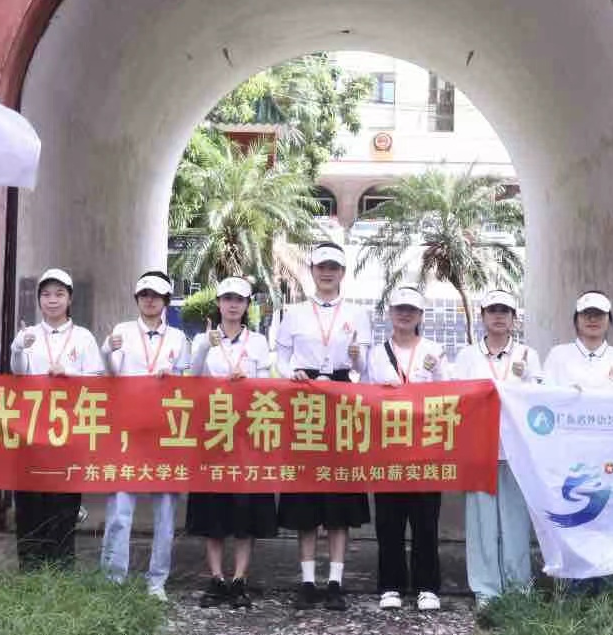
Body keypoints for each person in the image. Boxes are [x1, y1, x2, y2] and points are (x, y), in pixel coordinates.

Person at [274, 242, 372, 611]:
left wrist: (357, 358)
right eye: (321, 267)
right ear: (312, 271)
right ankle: (307, 582)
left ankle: (335, 581)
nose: (327, 273)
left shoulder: (358, 314)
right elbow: (280, 356)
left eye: (333, 267)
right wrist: (292, 372)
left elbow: (364, 368)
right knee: (305, 494)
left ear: (342, 272)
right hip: (305, 398)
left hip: (342, 399)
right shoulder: (294, 313)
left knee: (338, 495)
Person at [186, 276, 277, 609]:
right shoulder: (203, 339)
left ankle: (240, 578)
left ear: (247, 305)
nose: (233, 305)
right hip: (214, 431)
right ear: (218, 303)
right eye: (227, 299)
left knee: (244, 506)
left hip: (248, 433)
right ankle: (216, 578)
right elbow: (193, 377)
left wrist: (248, 381)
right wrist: (204, 348)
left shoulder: (258, 342)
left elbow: (267, 384)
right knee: (213, 506)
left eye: (239, 300)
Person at [101, 270, 191, 600]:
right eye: (144, 295)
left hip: (166, 433)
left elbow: (188, 383)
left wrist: (174, 377)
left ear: (166, 300)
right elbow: (111, 373)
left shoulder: (178, 338)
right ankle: (113, 579)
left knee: (165, 514)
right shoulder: (122, 331)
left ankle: (157, 581)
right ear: (137, 300)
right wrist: (107, 351)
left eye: (155, 295)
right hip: (128, 431)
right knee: (120, 510)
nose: (149, 300)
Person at [451, 288, 542, 611]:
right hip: (479, 450)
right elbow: (456, 399)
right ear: (483, 317)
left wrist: (524, 381)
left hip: (516, 452)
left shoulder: (529, 355)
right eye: (493, 311)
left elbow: (538, 404)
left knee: (515, 522)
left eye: (505, 311)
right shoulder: (467, 356)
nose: (499, 316)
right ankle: (486, 589)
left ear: (514, 318)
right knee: (481, 524)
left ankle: (518, 587)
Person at [9, 267, 105, 570]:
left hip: (68, 433)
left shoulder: (83, 338)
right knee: (29, 501)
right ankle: (29, 569)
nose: (52, 300)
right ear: (39, 299)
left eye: (59, 294)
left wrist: (69, 374)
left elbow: (97, 382)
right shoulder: (29, 335)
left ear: (70, 299)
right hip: (31, 431)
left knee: (63, 503)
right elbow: (18, 373)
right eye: (46, 294)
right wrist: (17, 348)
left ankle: (61, 570)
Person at [367, 284, 447, 612]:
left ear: (420, 315)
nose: (404, 314)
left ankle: (427, 586)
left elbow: (448, 393)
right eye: (399, 308)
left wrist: (433, 375)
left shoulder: (434, 350)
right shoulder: (376, 353)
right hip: (388, 447)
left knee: (426, 519)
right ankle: (391, 586)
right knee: (389, 520)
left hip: (425, 447)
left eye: (411, 310)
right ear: (390, 313)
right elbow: (364, 396)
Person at [541, 290, 613, 390]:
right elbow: (546, 394)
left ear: (608, 319)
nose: (593, 319)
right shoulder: (558, 355)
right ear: (576, 319)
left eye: (599, 314)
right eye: (586, 314)